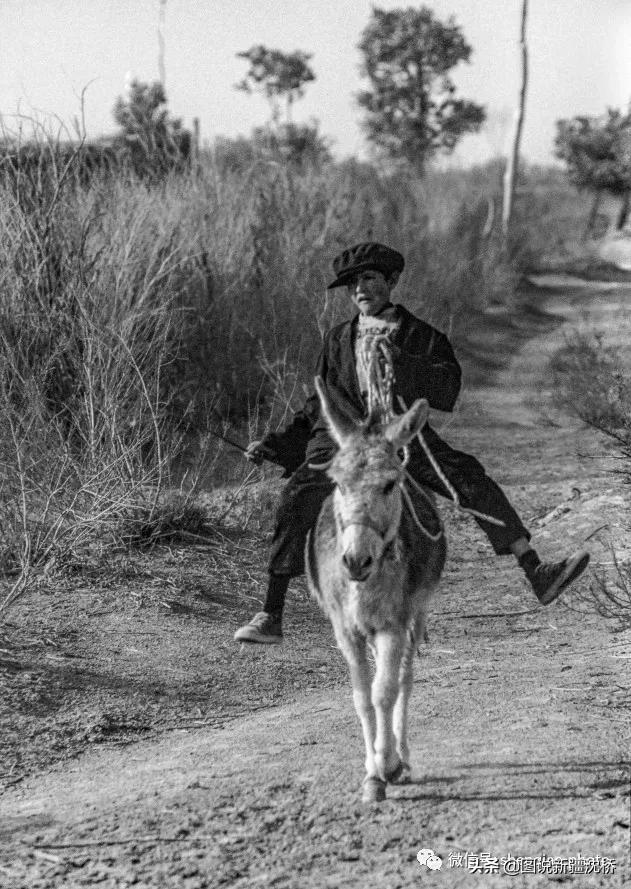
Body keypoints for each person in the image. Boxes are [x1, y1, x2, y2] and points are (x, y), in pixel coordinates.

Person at [234, 242, 589, 644]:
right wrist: (275, 444)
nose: (360, 289)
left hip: (400, 438)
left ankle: (536, 571)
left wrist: (398, 359)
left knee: (466, 476)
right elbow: (316, 406)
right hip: (344, 443)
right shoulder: (337, 340)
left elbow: (446, 390)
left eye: (369, 279)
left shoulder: (421, 337)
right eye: (353, 284)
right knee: (297, 496)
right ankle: (271, 613)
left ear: (392, 281)